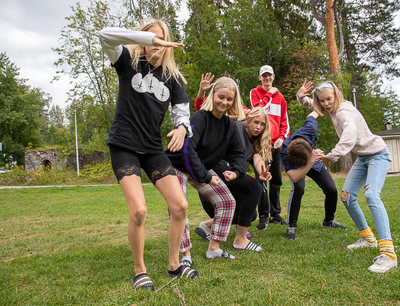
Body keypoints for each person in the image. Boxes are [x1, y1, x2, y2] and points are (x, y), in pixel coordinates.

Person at [98, 19, 199, 290]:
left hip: (153, 148)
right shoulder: (126, 62)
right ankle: (139, 271)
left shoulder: (173, 77)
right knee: (139, 210)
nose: (155, 45)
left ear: (169, 44)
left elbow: (182, 114)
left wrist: (181, 129)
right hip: (125, 145)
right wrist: (148, 40)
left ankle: (174, 265)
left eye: (160, 39)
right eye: (150, 39)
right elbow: (104, 34)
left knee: (180, 206)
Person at [298, 80, 397, 274]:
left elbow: (350, 134)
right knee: (346, 196)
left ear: (336, 95)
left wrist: (333, 155)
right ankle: (368, 238)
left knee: (371, 195)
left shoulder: (344, 113)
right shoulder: (331, 109)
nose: (326, 104)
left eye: (329, 99)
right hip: (362, 158)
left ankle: (389, 254)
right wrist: (301, 97)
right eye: (322, 100)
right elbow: (312, 105)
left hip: (378, 154)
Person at [166, 77, 248, 260]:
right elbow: (188, 149)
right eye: (221, 97)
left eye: (229, 99)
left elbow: (239, 153)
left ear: (234, 101)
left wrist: (236, 171)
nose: (224, 102)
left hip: (200, 168)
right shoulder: (200, 117)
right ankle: (185, 253)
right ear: (213, 95)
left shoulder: (230, 126)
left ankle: (214, 249)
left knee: (227, 201)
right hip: (177, 166)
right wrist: (205, 176)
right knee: (179, 207)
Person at [194, 106, 273, 252]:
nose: (259, 127)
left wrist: (261, 171)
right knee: (254, 187)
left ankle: (207, 226)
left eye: (262, 124)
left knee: (251, 214)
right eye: (256, 122)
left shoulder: (255, 141)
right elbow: (213, 121)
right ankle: (240, 240)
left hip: (228, 179)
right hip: (212, 171)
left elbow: (257, 159)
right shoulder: (236, 127)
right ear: (248, 119)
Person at [281, 110, 347, 240]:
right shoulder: (285, 151)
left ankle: (329, 221)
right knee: (298, 189)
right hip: (302, 164)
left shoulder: (309, 129)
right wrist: (309, 161)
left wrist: (320, 108)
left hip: (313, 158)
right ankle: (291, 225)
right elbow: (294, 177)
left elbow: (312, 115)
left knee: (331, 190)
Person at [250, 65, 289, 229]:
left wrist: (281, 138)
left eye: (269, 76)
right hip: (260, 144)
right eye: (263, 76)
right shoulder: (255, 92)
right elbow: (258, 110)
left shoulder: (281, 98)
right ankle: (263, 216)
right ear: (260, 78)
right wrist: (269, 93)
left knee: (276, 179)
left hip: (276, 144)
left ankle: (275, 213)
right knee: (262, 178)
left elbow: (284, 122)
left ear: (273, 77)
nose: (267, 79)